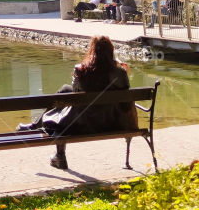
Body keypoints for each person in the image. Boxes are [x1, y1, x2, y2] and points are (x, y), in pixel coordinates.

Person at [20, 36, 138, 171]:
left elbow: (74, 95)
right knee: (65, 92)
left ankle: (57, 152)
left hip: (82, 125)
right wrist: (119, 66)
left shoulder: (81, 70)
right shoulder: (120, 72)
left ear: (92, 51)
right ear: (111, 52)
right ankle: (37, 126)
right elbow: (125, 97)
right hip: (113, 124)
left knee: (63, 100)